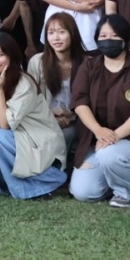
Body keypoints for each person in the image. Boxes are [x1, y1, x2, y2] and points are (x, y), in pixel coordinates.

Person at [68, 13, 130, 207]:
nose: (108, 40)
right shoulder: (89, 66)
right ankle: (118, 176)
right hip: (97, 139)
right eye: (103, 36)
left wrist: (114, 136)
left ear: (125, 40)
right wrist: (99, 131)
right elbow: (79, 102)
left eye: (115, 36)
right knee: (83, 192)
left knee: (109, 155)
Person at [0, 32, 68, 200]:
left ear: (11, 56)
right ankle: (1, 184)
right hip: (20, 138)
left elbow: (4, 126)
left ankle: (42, 181)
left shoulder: (23, 83)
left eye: (0, 54)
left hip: (39, 142)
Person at [28, 11, 86, 160]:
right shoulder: (37, 62)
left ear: (72, 33)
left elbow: (92, 100)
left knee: (67, 134)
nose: (56, 37)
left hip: (75, 120)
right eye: (51, 32)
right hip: (44, 119)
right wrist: (50, 115)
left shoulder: (87, 63)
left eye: (62, 31)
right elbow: (30, 98)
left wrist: (71, 114)